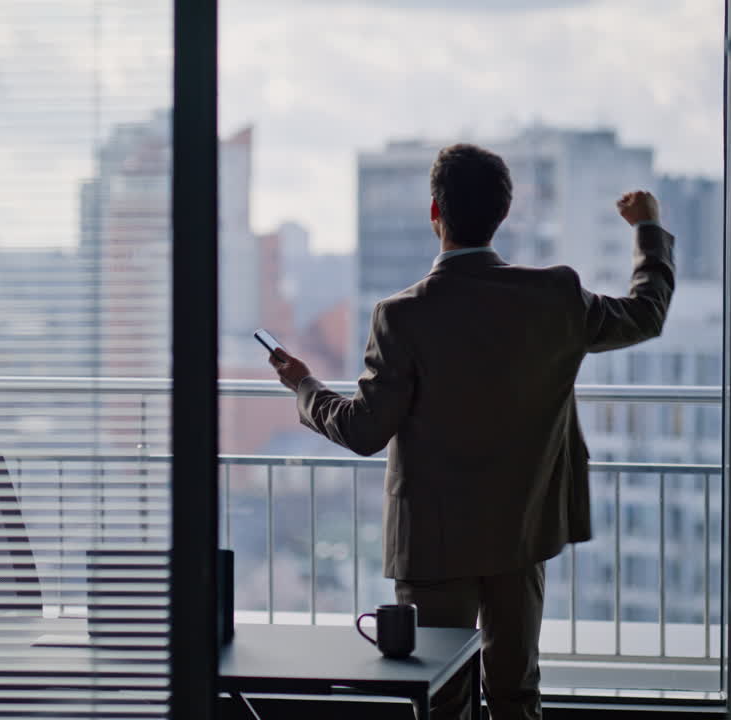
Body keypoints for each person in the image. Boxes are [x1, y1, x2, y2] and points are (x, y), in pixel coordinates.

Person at [268, 143, 675, 720]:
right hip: (522, 530)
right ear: (503, 215)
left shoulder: (402, 314)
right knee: (517, 695)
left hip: (432, 547)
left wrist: (305, 388)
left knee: (443, 699)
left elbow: (364, 431)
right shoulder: (554, 295)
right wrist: (648, 229)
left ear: (435, 213)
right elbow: (646, 313)